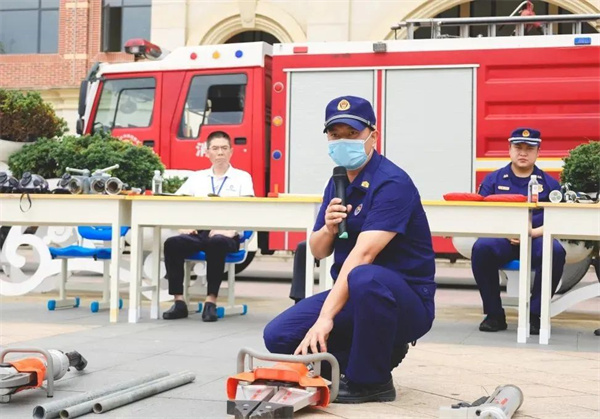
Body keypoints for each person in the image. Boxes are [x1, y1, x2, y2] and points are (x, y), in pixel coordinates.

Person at [263, 96, 436, 404]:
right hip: (356, 296)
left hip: (403, 300)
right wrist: (328, 229)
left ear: (373, 136)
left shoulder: (392, 183)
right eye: (335, 135)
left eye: (352, 133)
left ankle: (372, 381)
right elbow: (317, 251)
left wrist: (325, 318)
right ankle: (367, 355)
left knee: (365, 276)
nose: (343, 141)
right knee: (279, 336)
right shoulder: (338, 182)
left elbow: (363, 256)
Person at [472, 127, 566, 335]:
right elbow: (482, 214)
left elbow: (559, 218)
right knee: (481, 248)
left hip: (536, 238)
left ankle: (535, 315)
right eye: (518, 148)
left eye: (529, 149)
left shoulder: (550, 184)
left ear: (538, 152)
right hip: (503, 239)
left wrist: (532, 233)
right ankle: (494, 315)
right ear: (509, 150)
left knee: (556, 252)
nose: (523, 153)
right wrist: (505, 232)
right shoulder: (493, 180)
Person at [162, 131, 254, 322]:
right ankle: (179, 302)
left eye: (224, 148)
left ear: (231, 152)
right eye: (215, 148)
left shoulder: (242, 178)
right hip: (199, 232)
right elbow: (176, 204)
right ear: (207, 152)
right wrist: (182, 227)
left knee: (216, 242)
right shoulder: (197, 177)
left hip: (227, 235)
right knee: (172, 243)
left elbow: (248, 211)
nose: (220, 152)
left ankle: (210, 302)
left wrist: (230, 230)